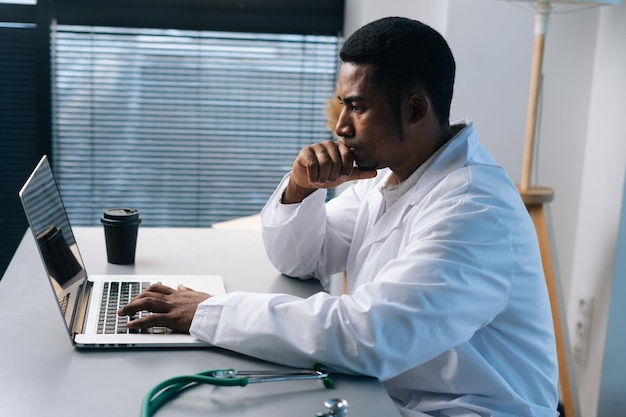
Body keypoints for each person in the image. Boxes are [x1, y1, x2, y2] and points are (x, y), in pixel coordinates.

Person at [118, 17, 559, 416]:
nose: (340, 127)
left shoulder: (472, 208)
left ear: (416, 109)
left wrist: (210, 313)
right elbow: (303, 259)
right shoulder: (391, 175)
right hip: (391, 394)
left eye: (358, 107)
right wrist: (301, 188)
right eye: (342, 105)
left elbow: (368, 335)